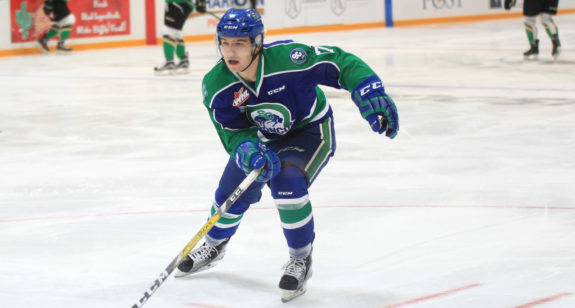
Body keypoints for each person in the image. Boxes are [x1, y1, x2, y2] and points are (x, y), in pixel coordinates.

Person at [174, 8, 399, 302]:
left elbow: (339, 62)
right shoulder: (216, 85)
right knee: (230, 191)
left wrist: (368, 88)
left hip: (309, 131)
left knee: (287, 182)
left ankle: (300, 259)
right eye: (225, 42)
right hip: (263, 138)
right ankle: (215, 244)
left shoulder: (289, 59)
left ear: (257, 43)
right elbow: (231, 130)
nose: (230, 50)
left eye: (239, 43)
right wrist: (246, 148)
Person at [154, 0, 207, 73]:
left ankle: (169, 62)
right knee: (176, 32)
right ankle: (183, 60)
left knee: (168, 30)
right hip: (184, 4)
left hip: (177, 3)